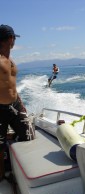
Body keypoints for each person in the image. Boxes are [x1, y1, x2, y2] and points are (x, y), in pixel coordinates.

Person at [0, 24, 35, 181]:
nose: (14, 41)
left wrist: (20, 102)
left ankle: (16, 166)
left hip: (15, 105)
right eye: (14, 38)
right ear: (10, 38)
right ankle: (2, 175)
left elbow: (11, 84)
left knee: (28, 135)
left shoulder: (10, 59)